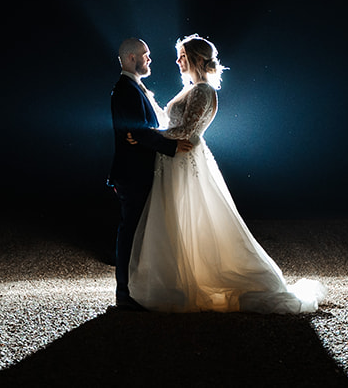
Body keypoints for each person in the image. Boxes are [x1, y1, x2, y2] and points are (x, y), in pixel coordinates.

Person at [128, 34, 326, 314]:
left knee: (191, 217)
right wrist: (150, 108)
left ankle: (204, 281)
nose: (177, 61)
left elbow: (187, 131)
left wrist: (147, 135)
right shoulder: (191, 89)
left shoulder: (203, 91)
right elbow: (171, 123)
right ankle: (179, 279)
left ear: (196, 59)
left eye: (182, 56)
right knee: (177, 219)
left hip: (185, 161)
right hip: (174, 160)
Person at [108, 37, 188, 311]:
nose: (150, 59)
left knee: (139, 231)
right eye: (146, 55)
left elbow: (141, 131)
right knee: (130, 231)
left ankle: (137, 289)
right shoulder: (125, 90)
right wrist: (172, 146)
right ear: (131, 58)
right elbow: (137, 131)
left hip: (140, 170)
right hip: (132, 174)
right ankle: (124, 294)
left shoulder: (133, 88)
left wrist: (144, 134)